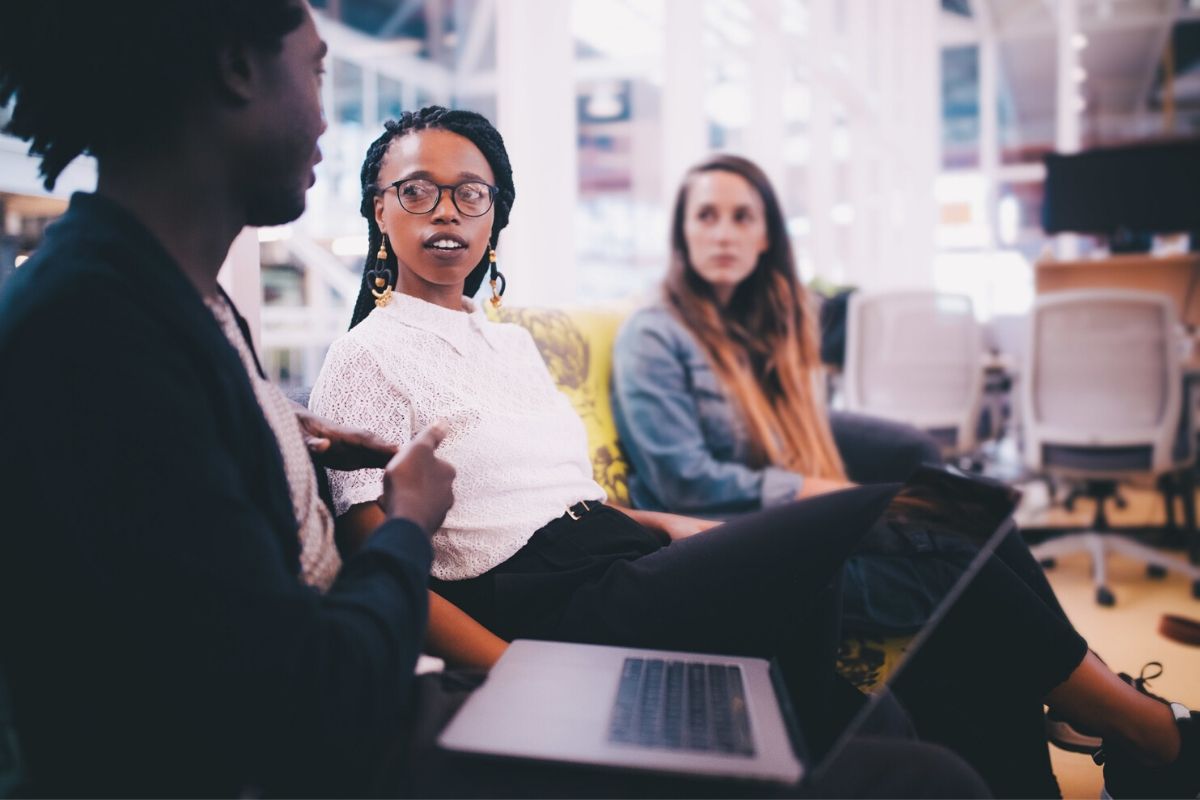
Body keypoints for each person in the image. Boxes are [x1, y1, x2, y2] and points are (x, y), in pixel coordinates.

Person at [0, 4, 997, 798]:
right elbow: (305, 673)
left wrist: (297, 449)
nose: (322, 113)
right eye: (317, 69)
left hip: (571, 578)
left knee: (901, 721)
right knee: (904, 520)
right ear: (233, 67)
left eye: (469, 194)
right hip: (444, 678)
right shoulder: (99, 326)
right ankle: (1129, 735)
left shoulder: (181, 308)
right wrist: (424, 535)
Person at [310, 107, 1199, 799]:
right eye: (416, 190)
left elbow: (569, 496)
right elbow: (375, 557)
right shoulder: (364, 356)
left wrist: (678, 527)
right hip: (554, 607)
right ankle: (1153, 735)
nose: (446, 214)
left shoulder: (507, 342)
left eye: (472, 193)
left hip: (620, 556)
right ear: (377, 208)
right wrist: (514, 670)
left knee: (944, 551)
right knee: (916, 522)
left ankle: (1098, 756)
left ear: (495, 215)